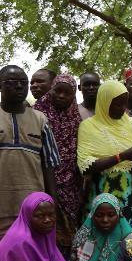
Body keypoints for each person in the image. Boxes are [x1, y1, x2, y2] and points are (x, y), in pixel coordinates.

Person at [0, 65, 60, 261]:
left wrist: (53, 205)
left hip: (34, 211)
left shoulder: (40, 119)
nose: (19, 86)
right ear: (0, 86)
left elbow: (49, 166)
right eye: (12, 82)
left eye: (23, 82)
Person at [77, 80, 132, 222]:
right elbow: (85, 166)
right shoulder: (88, 127)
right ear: (104, 102)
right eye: (118, 104)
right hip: (99, 193)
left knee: (126, 238)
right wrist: (122, 156)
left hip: (129, 195)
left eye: (125, 103)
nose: (123, 108)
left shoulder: (131, 125)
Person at [34, 74, 83, 249]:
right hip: (43, 182)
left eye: (67, 93)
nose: (61, 96)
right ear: (51, 90)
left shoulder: (76, 118)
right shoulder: (38, 114)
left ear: (74, 95)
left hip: (72, 186)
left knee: (69, 235)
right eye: (58, 91)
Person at [70, 193, 132, 261]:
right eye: (99, 215)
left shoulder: (130, 239)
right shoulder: (84, 236)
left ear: (118, 215)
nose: (105, 220)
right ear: (92, 215)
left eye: (111, 215)